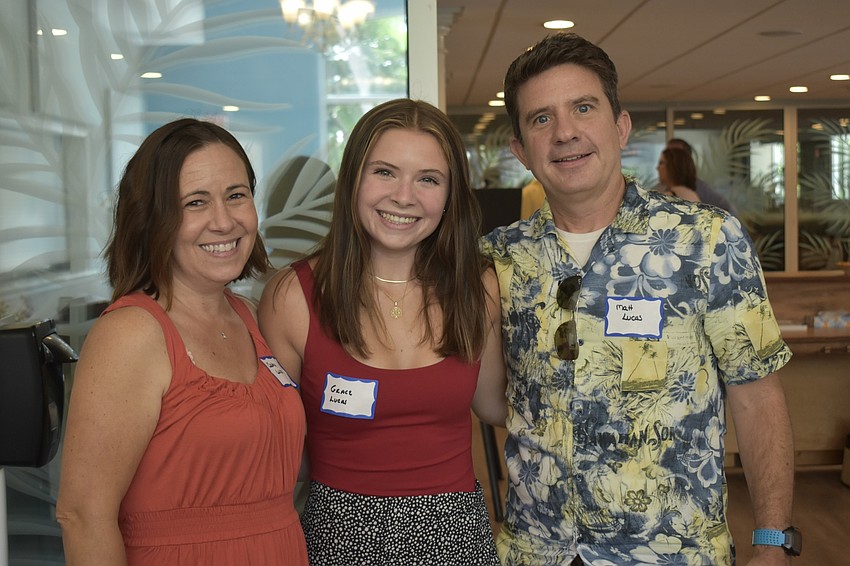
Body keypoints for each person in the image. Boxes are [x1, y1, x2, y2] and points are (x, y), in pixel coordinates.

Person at [480, 32, 796, 565]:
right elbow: (494, 402)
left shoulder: (707, 240)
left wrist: (772, 540)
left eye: (583, 107)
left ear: (620, 126)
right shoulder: (498, 260)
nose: (565, 133)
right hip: (537, 553)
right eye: (541, 119)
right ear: (520, 150)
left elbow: (758, 398)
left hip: (672, 554)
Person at [258, 98, 507, 565]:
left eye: (428, 179)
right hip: (338, 539)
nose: (404, 196)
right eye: (385, 172)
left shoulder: (479, 288)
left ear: (451, 194)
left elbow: (495, 405)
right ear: (353, 178)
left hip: (457, 539)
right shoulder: (293, 298)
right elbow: (278, 455)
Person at [56, 118, 309, 565]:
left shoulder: (252, 317)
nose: (224, 221)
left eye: (237, 195)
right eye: (195, 203)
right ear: (154, 220)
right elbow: (83, 515)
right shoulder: (132, 334)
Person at [665, 137, 736, 213]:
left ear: (687, 159)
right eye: (667, 154)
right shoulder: (660, 188)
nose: (670, 159)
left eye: (677, 154)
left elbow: (729, 210)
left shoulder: (700, 189)